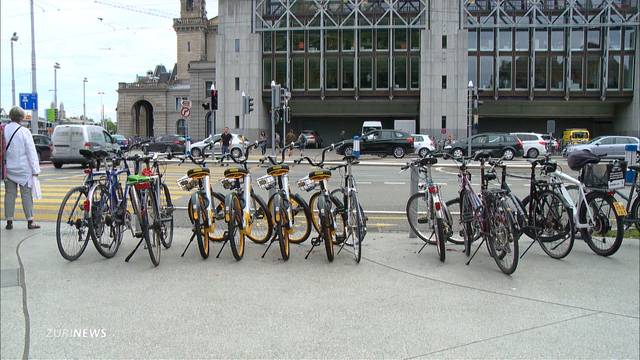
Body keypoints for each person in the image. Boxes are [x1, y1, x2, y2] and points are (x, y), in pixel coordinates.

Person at [3, 106, 41, 230]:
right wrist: (35, 170)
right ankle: (30, 221)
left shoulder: (4, 129)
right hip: (23, 170)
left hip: (7, 168)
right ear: (21, 117)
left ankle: (9, 221)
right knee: (26, 195)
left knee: (9, 194)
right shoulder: (25, 132)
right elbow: (31, 152)